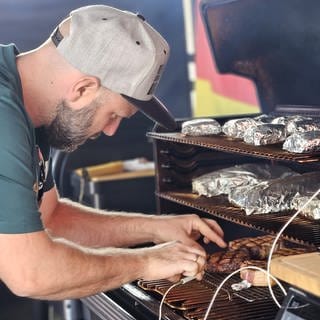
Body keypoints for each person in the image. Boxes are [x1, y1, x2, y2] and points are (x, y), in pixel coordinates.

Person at [0, 4, 226, 300]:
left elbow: (50, 219)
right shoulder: (4, 116)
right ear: (83, 90)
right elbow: (31, 274)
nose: (111, 131)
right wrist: (146, 262)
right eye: (113, 115)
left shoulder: (29, 111)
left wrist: (157, 229)